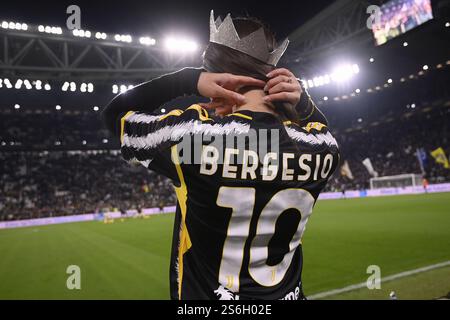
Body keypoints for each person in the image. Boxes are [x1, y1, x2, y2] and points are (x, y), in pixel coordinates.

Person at [103, 11, 339, 300]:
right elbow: (318, 128)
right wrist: (303, 103)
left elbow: (115, 115)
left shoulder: (190, 139)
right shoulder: (321, 146)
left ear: (221, 78)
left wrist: (188, 80)